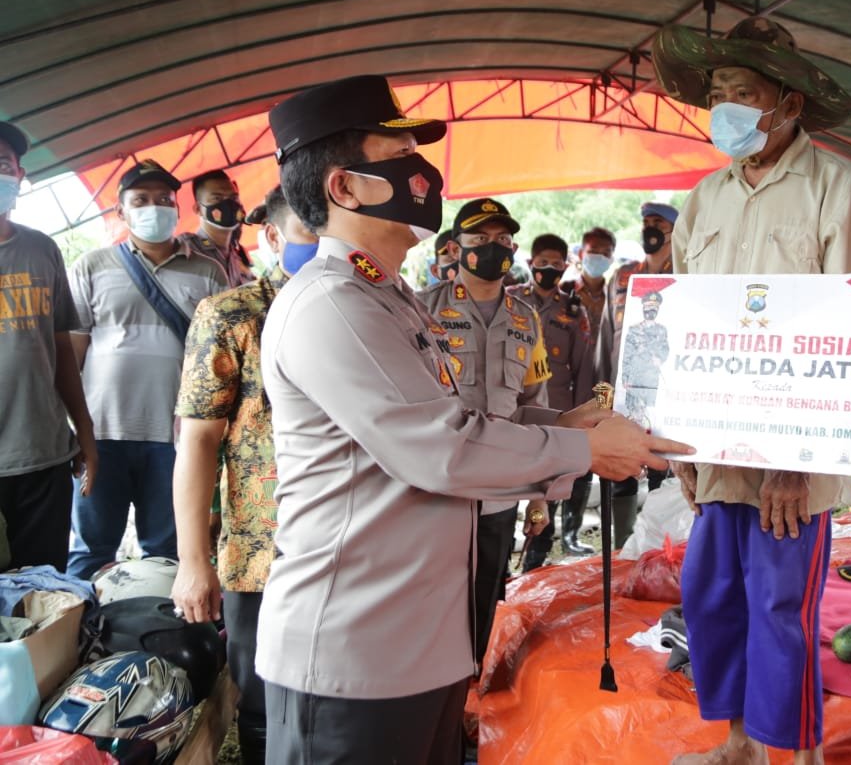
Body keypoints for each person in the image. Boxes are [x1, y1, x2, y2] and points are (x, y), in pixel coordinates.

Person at [257, 74, 687, 764]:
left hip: (417, 643)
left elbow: (462, 418)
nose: (419, 173)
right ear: (343, 186)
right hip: (353, 653)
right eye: (395, 155)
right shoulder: (334, 305)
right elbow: (444, 450)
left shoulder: (388, 297)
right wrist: (583, 453)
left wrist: (573, 425)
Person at [652, 15, 851, 765]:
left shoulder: (836, 183)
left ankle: (801, 752)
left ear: (787, 103)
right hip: (715, 442)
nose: (726, 108)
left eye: (741, 92)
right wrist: (675, 435)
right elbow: (681, 318)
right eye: (717, 93)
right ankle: (740, 743)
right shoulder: (705, 196)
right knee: (714, 595)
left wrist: (798, 457)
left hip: (798, 454)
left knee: (782, 603)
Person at [170, 186, 318, 765]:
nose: (327, 250)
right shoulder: (232, 315)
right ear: (274, 238)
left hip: (350, 549)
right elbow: (198, 439)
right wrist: (192, 561)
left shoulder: (371, 310)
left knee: (333, 701)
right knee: (262, 705)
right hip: (261, 552)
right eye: (310, 235)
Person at [67, 159, 228, 580]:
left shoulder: (207, 270)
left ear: (178, 208)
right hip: (103, 433)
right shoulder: (92, 266)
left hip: (177, 437)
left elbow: (223, 354)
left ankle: (168, 633)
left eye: (163, 199)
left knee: (169, 550)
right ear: (121, 212)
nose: (153, 207)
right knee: (92, 550)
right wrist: (75, 429)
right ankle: (81, 637)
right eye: (140, 200)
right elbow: (72, 353)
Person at [417, 197, 554, 662]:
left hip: (500, 489)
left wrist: (541, 491)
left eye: (502, 239)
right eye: (480, 239)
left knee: (488, 598)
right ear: (456, 248)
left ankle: (478, 700)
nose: (493, 248)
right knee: (435, 603)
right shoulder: (422, 310)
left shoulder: (525, 318)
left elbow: (535, 404)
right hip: (437, 490)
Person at [0, 120, 97, 571]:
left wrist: (85, 431)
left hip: (42, 454)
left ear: (20, 176)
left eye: (2, 164)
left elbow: (60, 352)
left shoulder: (42, 250)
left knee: (45, 589)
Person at [510, 233, 597, 567]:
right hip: (512, 410)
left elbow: (584, 369)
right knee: (505, 486)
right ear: (531, 263)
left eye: (556, 264)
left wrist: (582, 420)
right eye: (542, 262)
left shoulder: (574, 311)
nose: (548, 269)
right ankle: (505, 561)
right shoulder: (511, 299)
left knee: (548, 490)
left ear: (565, 266)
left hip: (557, 415)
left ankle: (534, 565)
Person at [596, 202, 678, 548]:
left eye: (657, 223)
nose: (650, 229)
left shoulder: (689, 274)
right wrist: (602, 391)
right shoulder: (623, 276)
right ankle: (622, 545)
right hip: (624, 387)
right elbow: (605, 333)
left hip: (666, 392)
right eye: (645, 222)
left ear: (675, 230)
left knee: (663, 467)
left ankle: (659, 547)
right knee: (621, 469)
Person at [178, 169, 255, 287]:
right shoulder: (187, 248)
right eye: (217, 199)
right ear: (198, 209)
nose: (228, 205)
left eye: (233, 198)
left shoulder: (238, 256)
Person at [620, 290, 669, 423]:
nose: (649, 311)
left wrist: (659, 358)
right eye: (647, 308)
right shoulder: (633, 329)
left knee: (648, 413)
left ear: (657, 310)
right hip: (635, 376)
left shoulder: (661, 330)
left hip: (650, 377)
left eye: (652, 309)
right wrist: (625, 377)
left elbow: (665, 349)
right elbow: (627, 355)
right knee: (633, 412)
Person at [571, 226, 615, 334]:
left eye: (605, 253)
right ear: (581, 254)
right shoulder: (565, 290)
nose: (599, 257)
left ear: (611, 259)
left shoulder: (614, 297)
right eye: (593, 251)